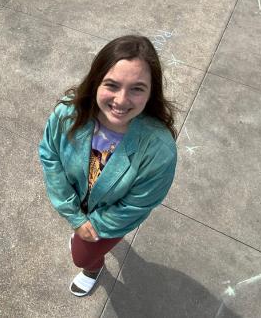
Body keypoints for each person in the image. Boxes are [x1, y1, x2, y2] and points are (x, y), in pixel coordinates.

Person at [39, 35, 178, 297]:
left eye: (137, 88)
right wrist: (74, 214)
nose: (121, 100)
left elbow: (138, 203)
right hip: (79, 203)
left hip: (110, 219)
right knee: (83, 241)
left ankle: (92, 269)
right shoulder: (68, 113)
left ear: (152, 92)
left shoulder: (160, 149)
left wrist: (92, 227)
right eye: (112, 85)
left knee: (81, 255)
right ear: (95, 82)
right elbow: (50, 154)